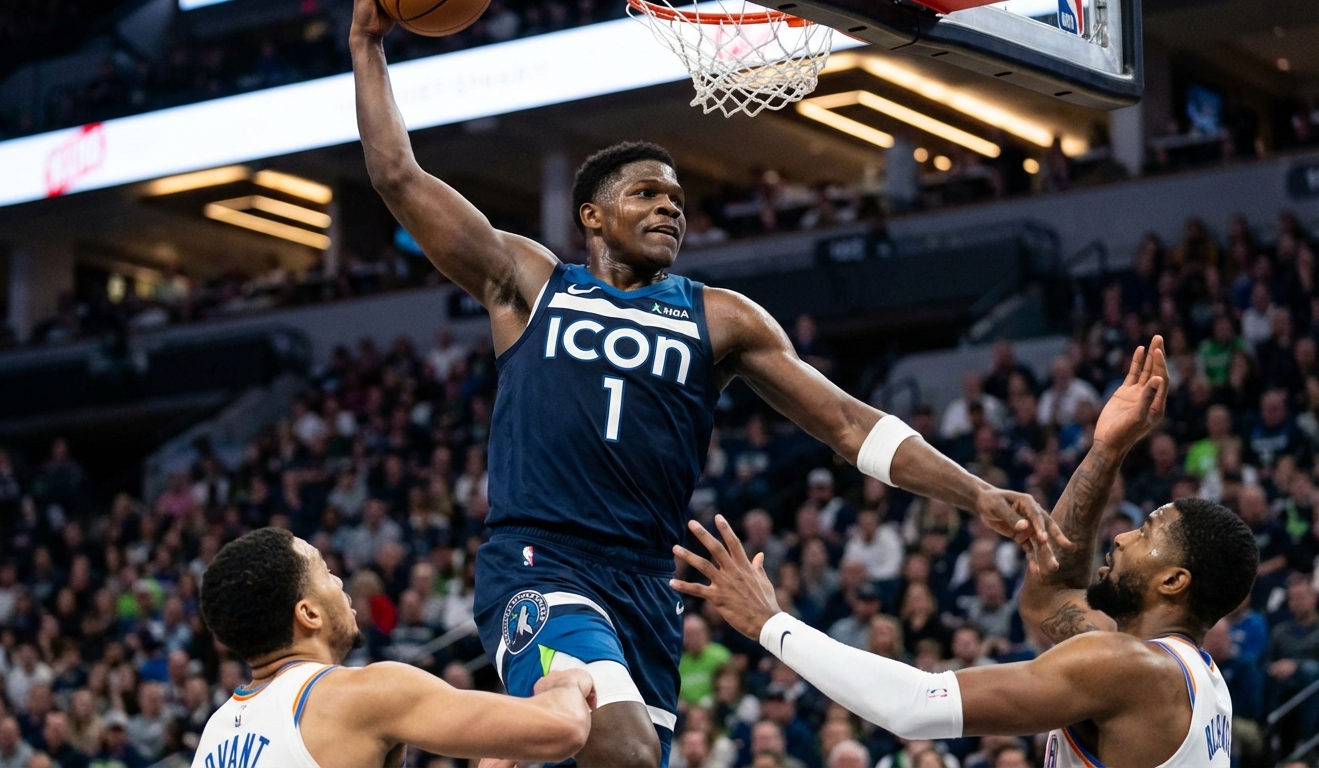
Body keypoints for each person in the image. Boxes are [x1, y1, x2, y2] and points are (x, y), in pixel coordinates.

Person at [349, 1, 1066, 763]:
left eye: (678, 202)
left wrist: (976, 493)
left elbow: (848, 425)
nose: (669, 207)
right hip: (541, 561)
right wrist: (367, 43)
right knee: (620, 750)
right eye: (646, 194)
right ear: (592, 216)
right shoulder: (530, 283)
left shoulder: (722, 317)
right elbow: (398, 176)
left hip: (647, 581)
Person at [674, 337, 1264, 767]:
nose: (1122, 535)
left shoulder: (1132, 670)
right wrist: (1106, 450)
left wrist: (771, 624)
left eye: (1147, 532)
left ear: (1174, 581)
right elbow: (1051, 595)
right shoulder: (1191, 679)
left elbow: (913, 706)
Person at [191, 528, 594, 768]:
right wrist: (564, 682)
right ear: (308, 614)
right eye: (326, 573)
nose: (340, 583)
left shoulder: (213, 737)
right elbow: (564, 728)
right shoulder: (358, 695)